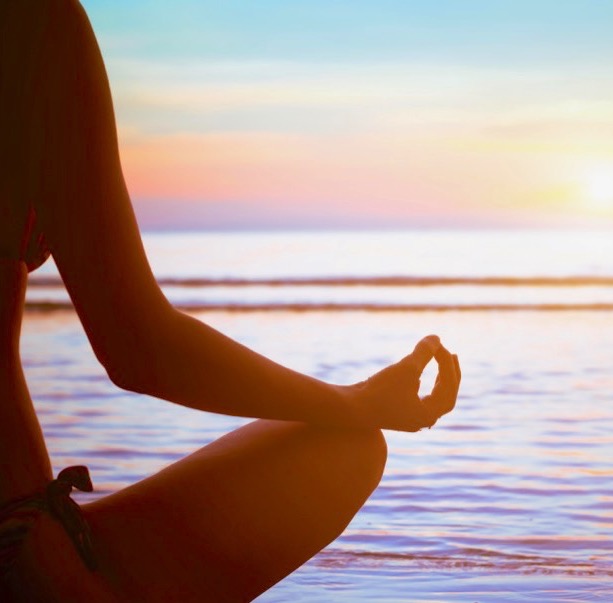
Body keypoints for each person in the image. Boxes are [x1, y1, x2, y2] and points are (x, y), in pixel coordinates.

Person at [0, 1, 461, 600]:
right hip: (17, 548)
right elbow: (139, 347)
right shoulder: (33, 22)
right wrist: (358, 402)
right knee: (345, 445)